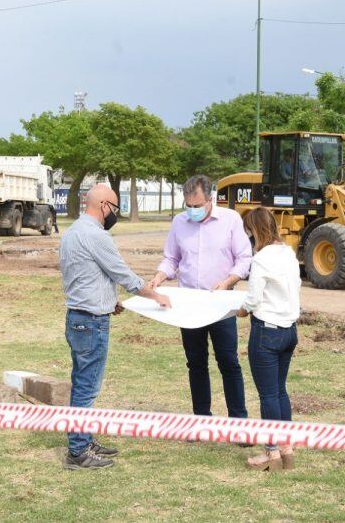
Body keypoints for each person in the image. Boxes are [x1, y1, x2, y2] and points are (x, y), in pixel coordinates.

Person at [60, 183, 171, 470]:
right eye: (115, 208)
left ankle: (83, 439)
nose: (115, 214)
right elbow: (121, 273)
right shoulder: (96, 236)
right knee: (87, 387)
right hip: (91, 322)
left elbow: (87, 277)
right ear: (104, 206)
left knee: (81, 382)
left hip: (77, 317)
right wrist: (154, 294)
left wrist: (111, 301)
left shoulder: (71, 233)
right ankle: (78, 451)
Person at [149, 175, 252, 421]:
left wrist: (228, 282)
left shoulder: (230, 220)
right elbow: (172, 258)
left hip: (220, 304)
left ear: (210, 199)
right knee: (195, 363)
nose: (192, 210)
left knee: (228, 362)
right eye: (189, 206)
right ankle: (200, 419)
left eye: (197, 205)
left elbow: (244, 258)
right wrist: (160, 276)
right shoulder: (179, 222)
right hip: (189, 305)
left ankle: (239, 422)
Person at [236, 207, 301, 471]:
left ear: (254, 231)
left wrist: (241, 309)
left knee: (268, 395)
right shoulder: (289, 253)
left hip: (266, 332)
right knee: (280, 390)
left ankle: (271, 452)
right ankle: (286, 447)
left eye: (248, 233)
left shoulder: (261, 259)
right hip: (289, 330)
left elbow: (252, 299)